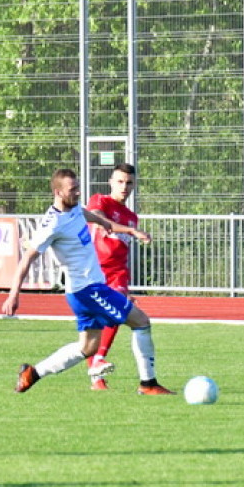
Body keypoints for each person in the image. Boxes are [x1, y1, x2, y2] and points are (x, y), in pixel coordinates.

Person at [2, 168, 174, 396]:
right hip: (88, 290)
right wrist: (14, 295)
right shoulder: (52, 224)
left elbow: (104, 223)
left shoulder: (76, 210)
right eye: (72, 190)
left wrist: (128, 230)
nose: (77, 192)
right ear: (58, 192)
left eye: (78, 187)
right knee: (141, 321)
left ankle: (32, 373)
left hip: (83, 291)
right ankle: (148, 383)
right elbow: (26, 261)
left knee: (87, 347)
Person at [84, 163, 143, 391]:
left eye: (129, 183)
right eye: (119, 182)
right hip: (94, 270)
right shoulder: (100, 200)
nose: (124, 187)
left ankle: (97, 363)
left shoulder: (131, 216)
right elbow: (99, 219)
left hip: (117, 274)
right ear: (110, 182)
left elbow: (122, 251)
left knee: (117, 312)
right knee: (95, 325)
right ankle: (96, 377)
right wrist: (130, 231)